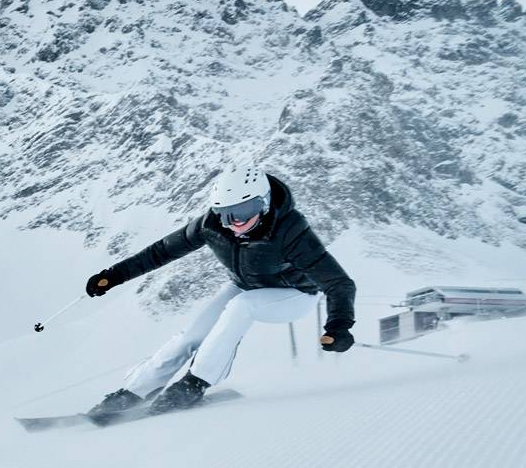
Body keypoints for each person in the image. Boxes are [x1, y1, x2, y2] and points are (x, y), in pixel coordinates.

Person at [83, 164, 358, 416]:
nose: (235, 223)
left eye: (243, 212)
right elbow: (162, 251)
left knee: (242, 307)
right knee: (191, 335)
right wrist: (114, 275)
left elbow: (338, 282)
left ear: (263, 203)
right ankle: (133, 392)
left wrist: (338, 326)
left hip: (295, 293)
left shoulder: (290, 230)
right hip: (245, 287)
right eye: (225, 215)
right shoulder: (211, 226)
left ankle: (194, 384)